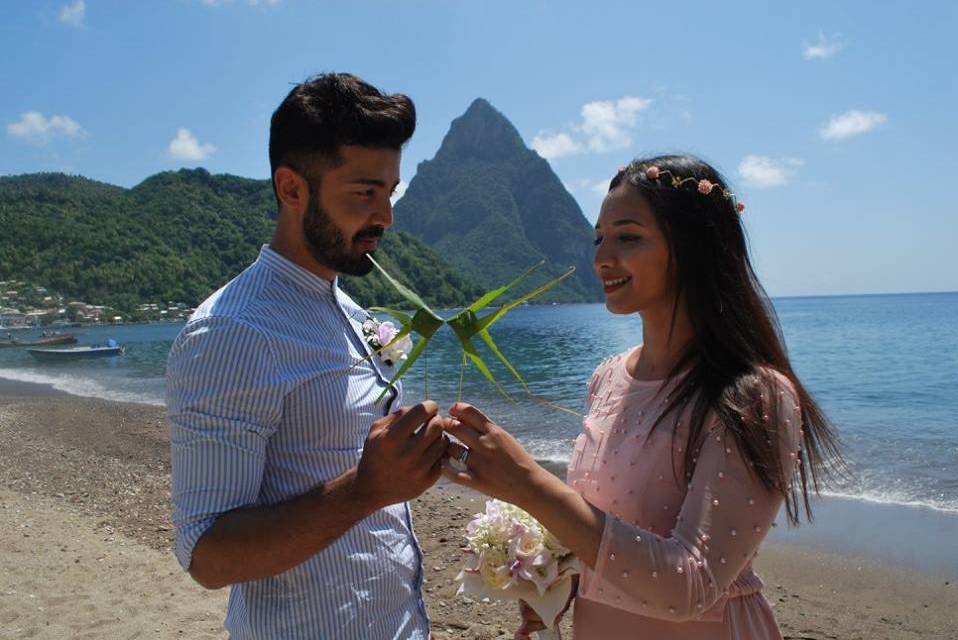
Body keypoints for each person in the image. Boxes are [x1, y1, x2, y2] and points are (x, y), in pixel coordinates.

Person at [442, 154, 844, 639]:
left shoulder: (751, 394)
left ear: (694, 247)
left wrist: (527, 482)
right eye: (599, 239)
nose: (601, 257)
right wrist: (557, 582)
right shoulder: (607, 377)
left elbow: (691, 586)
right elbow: (606, 530)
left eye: (628, 237)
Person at [166, 73, 450, 639]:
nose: (385, 217)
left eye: (390, 193)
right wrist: (367, 489)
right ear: (292, 188)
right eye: (364, 192)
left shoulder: (350, 313)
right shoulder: (231, 332)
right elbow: (207, 555)